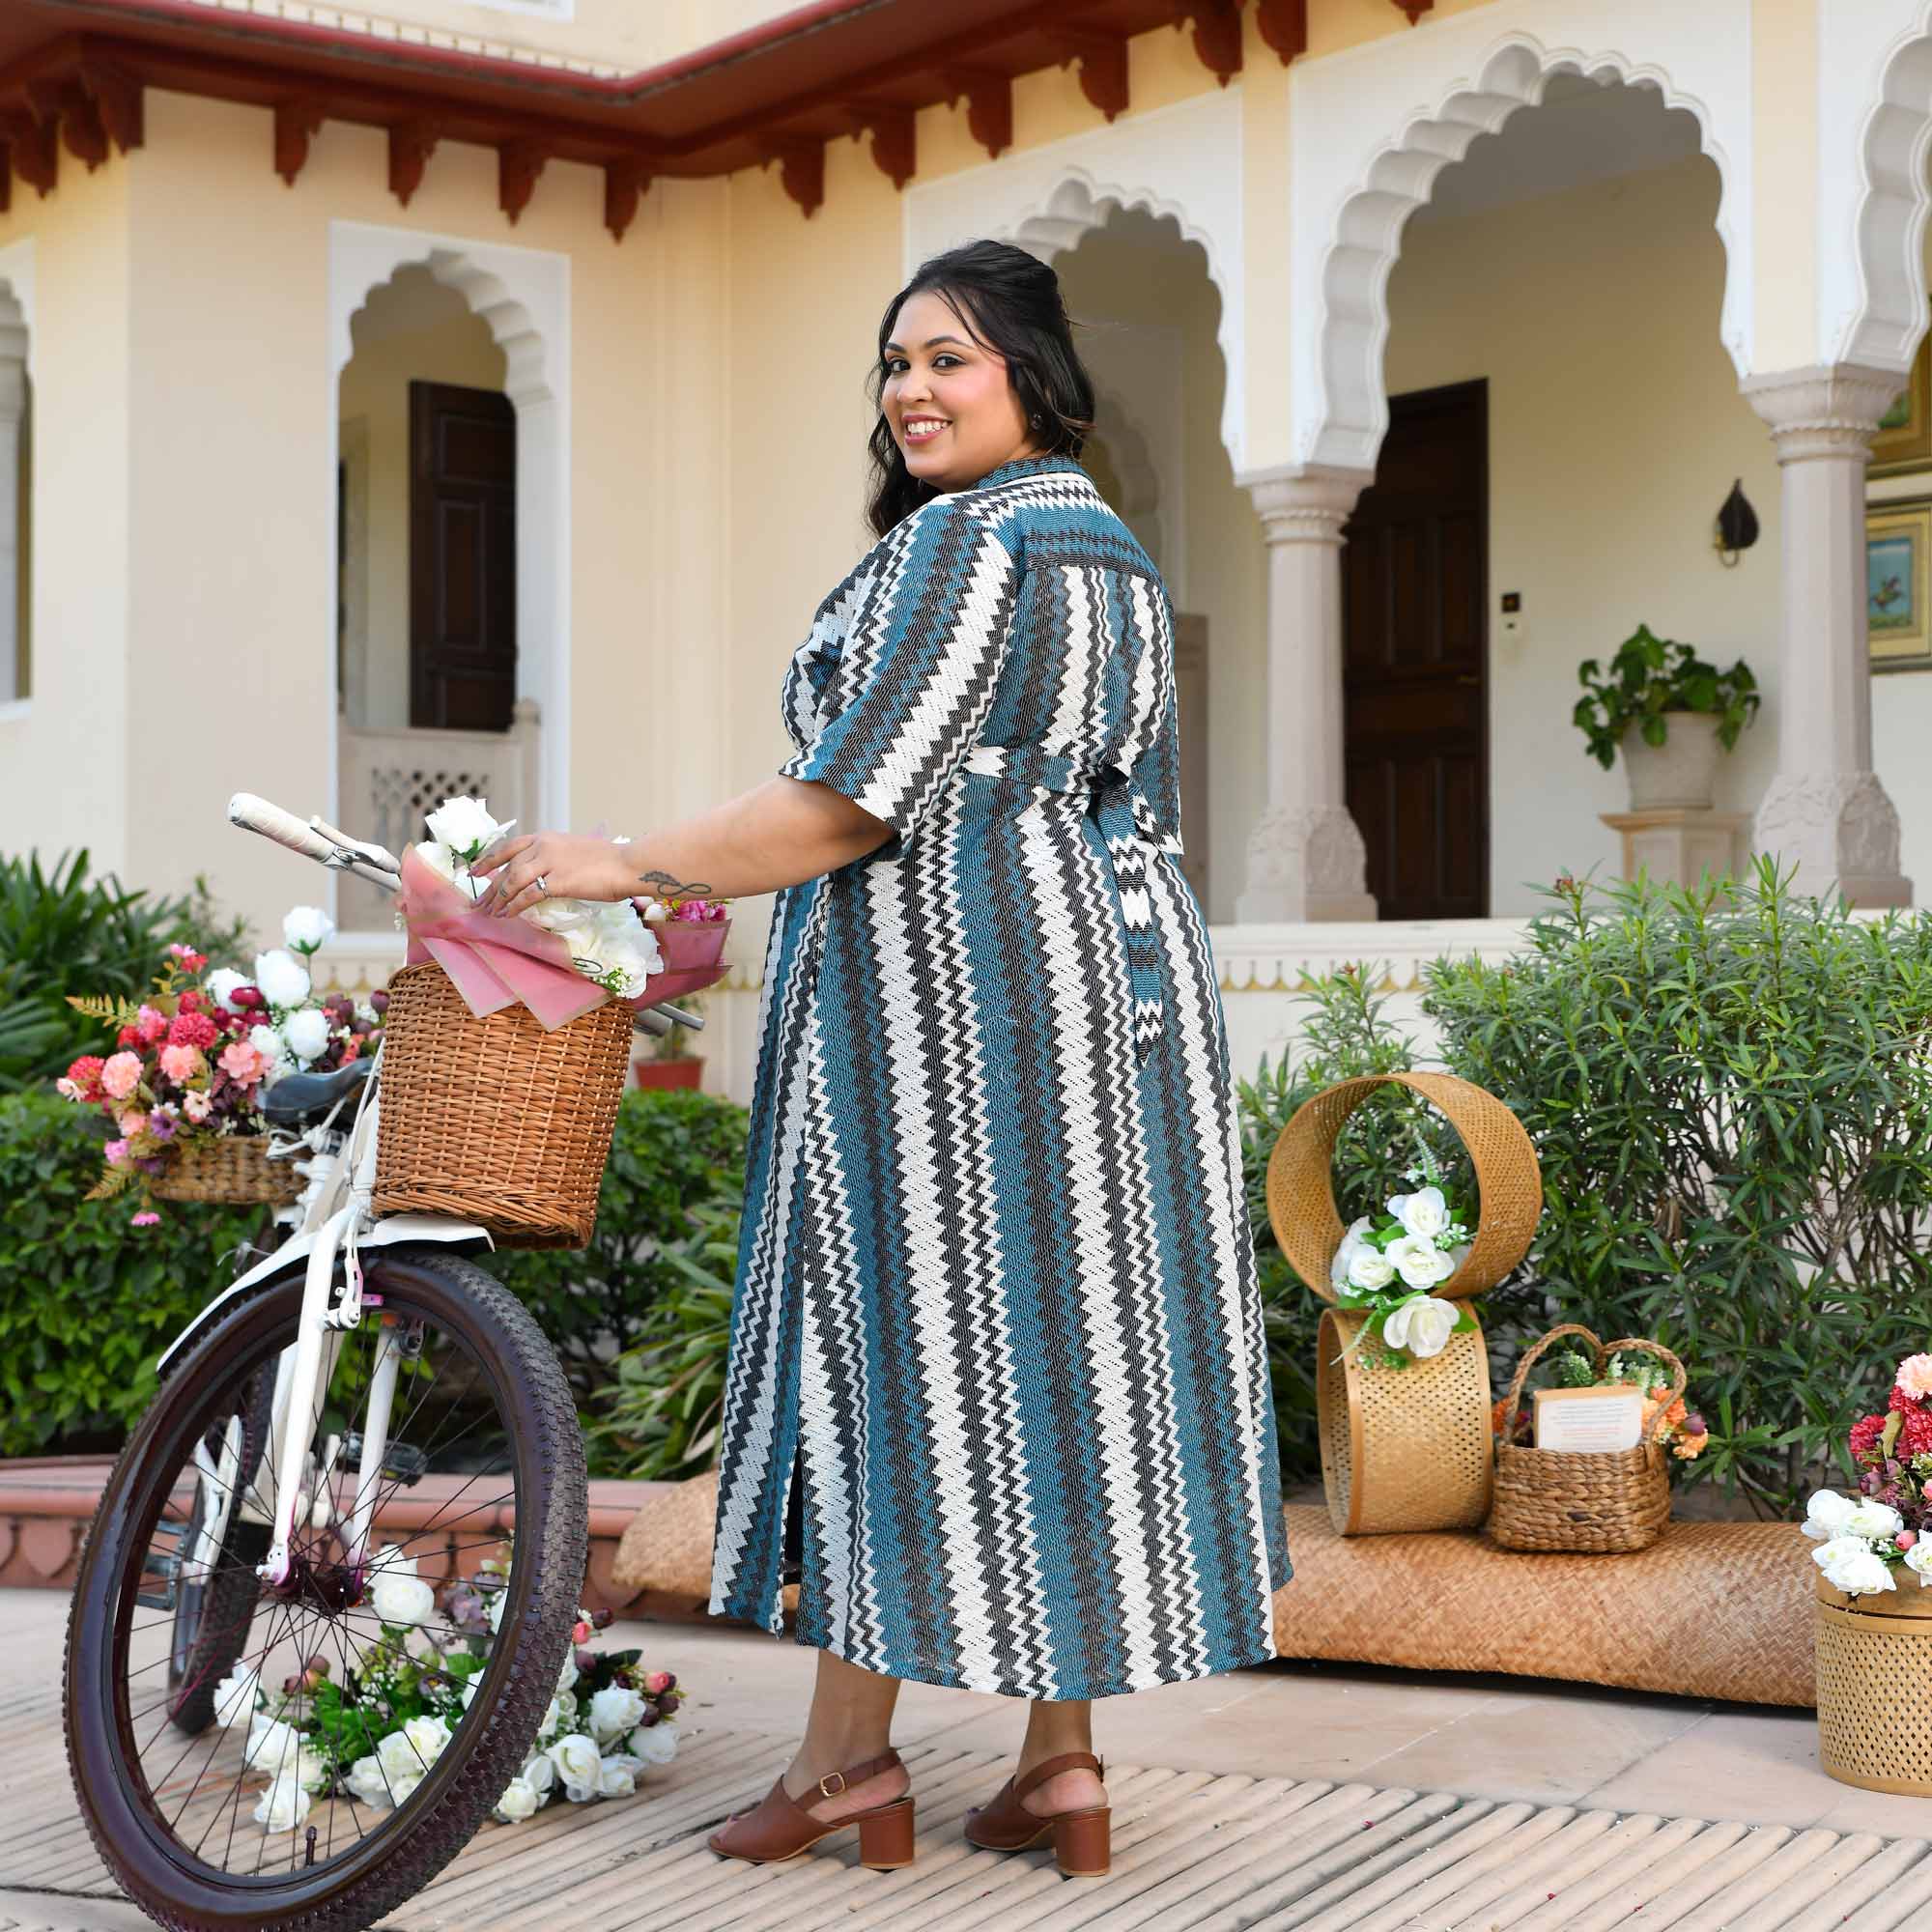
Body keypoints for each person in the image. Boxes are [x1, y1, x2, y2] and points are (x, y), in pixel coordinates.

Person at [470, 239, 1292, 1881]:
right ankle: (1061, 1768)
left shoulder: (964, 546)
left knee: (895, 1356)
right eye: (897, 363)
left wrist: (617, 859)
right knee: (1068, 1360)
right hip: (1122, 999)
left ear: (1032, 377)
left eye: (950, 359)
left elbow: (842, 806)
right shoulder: (1110, 550)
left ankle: (847, 1764)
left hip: (953, 1010)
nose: (912, 389)